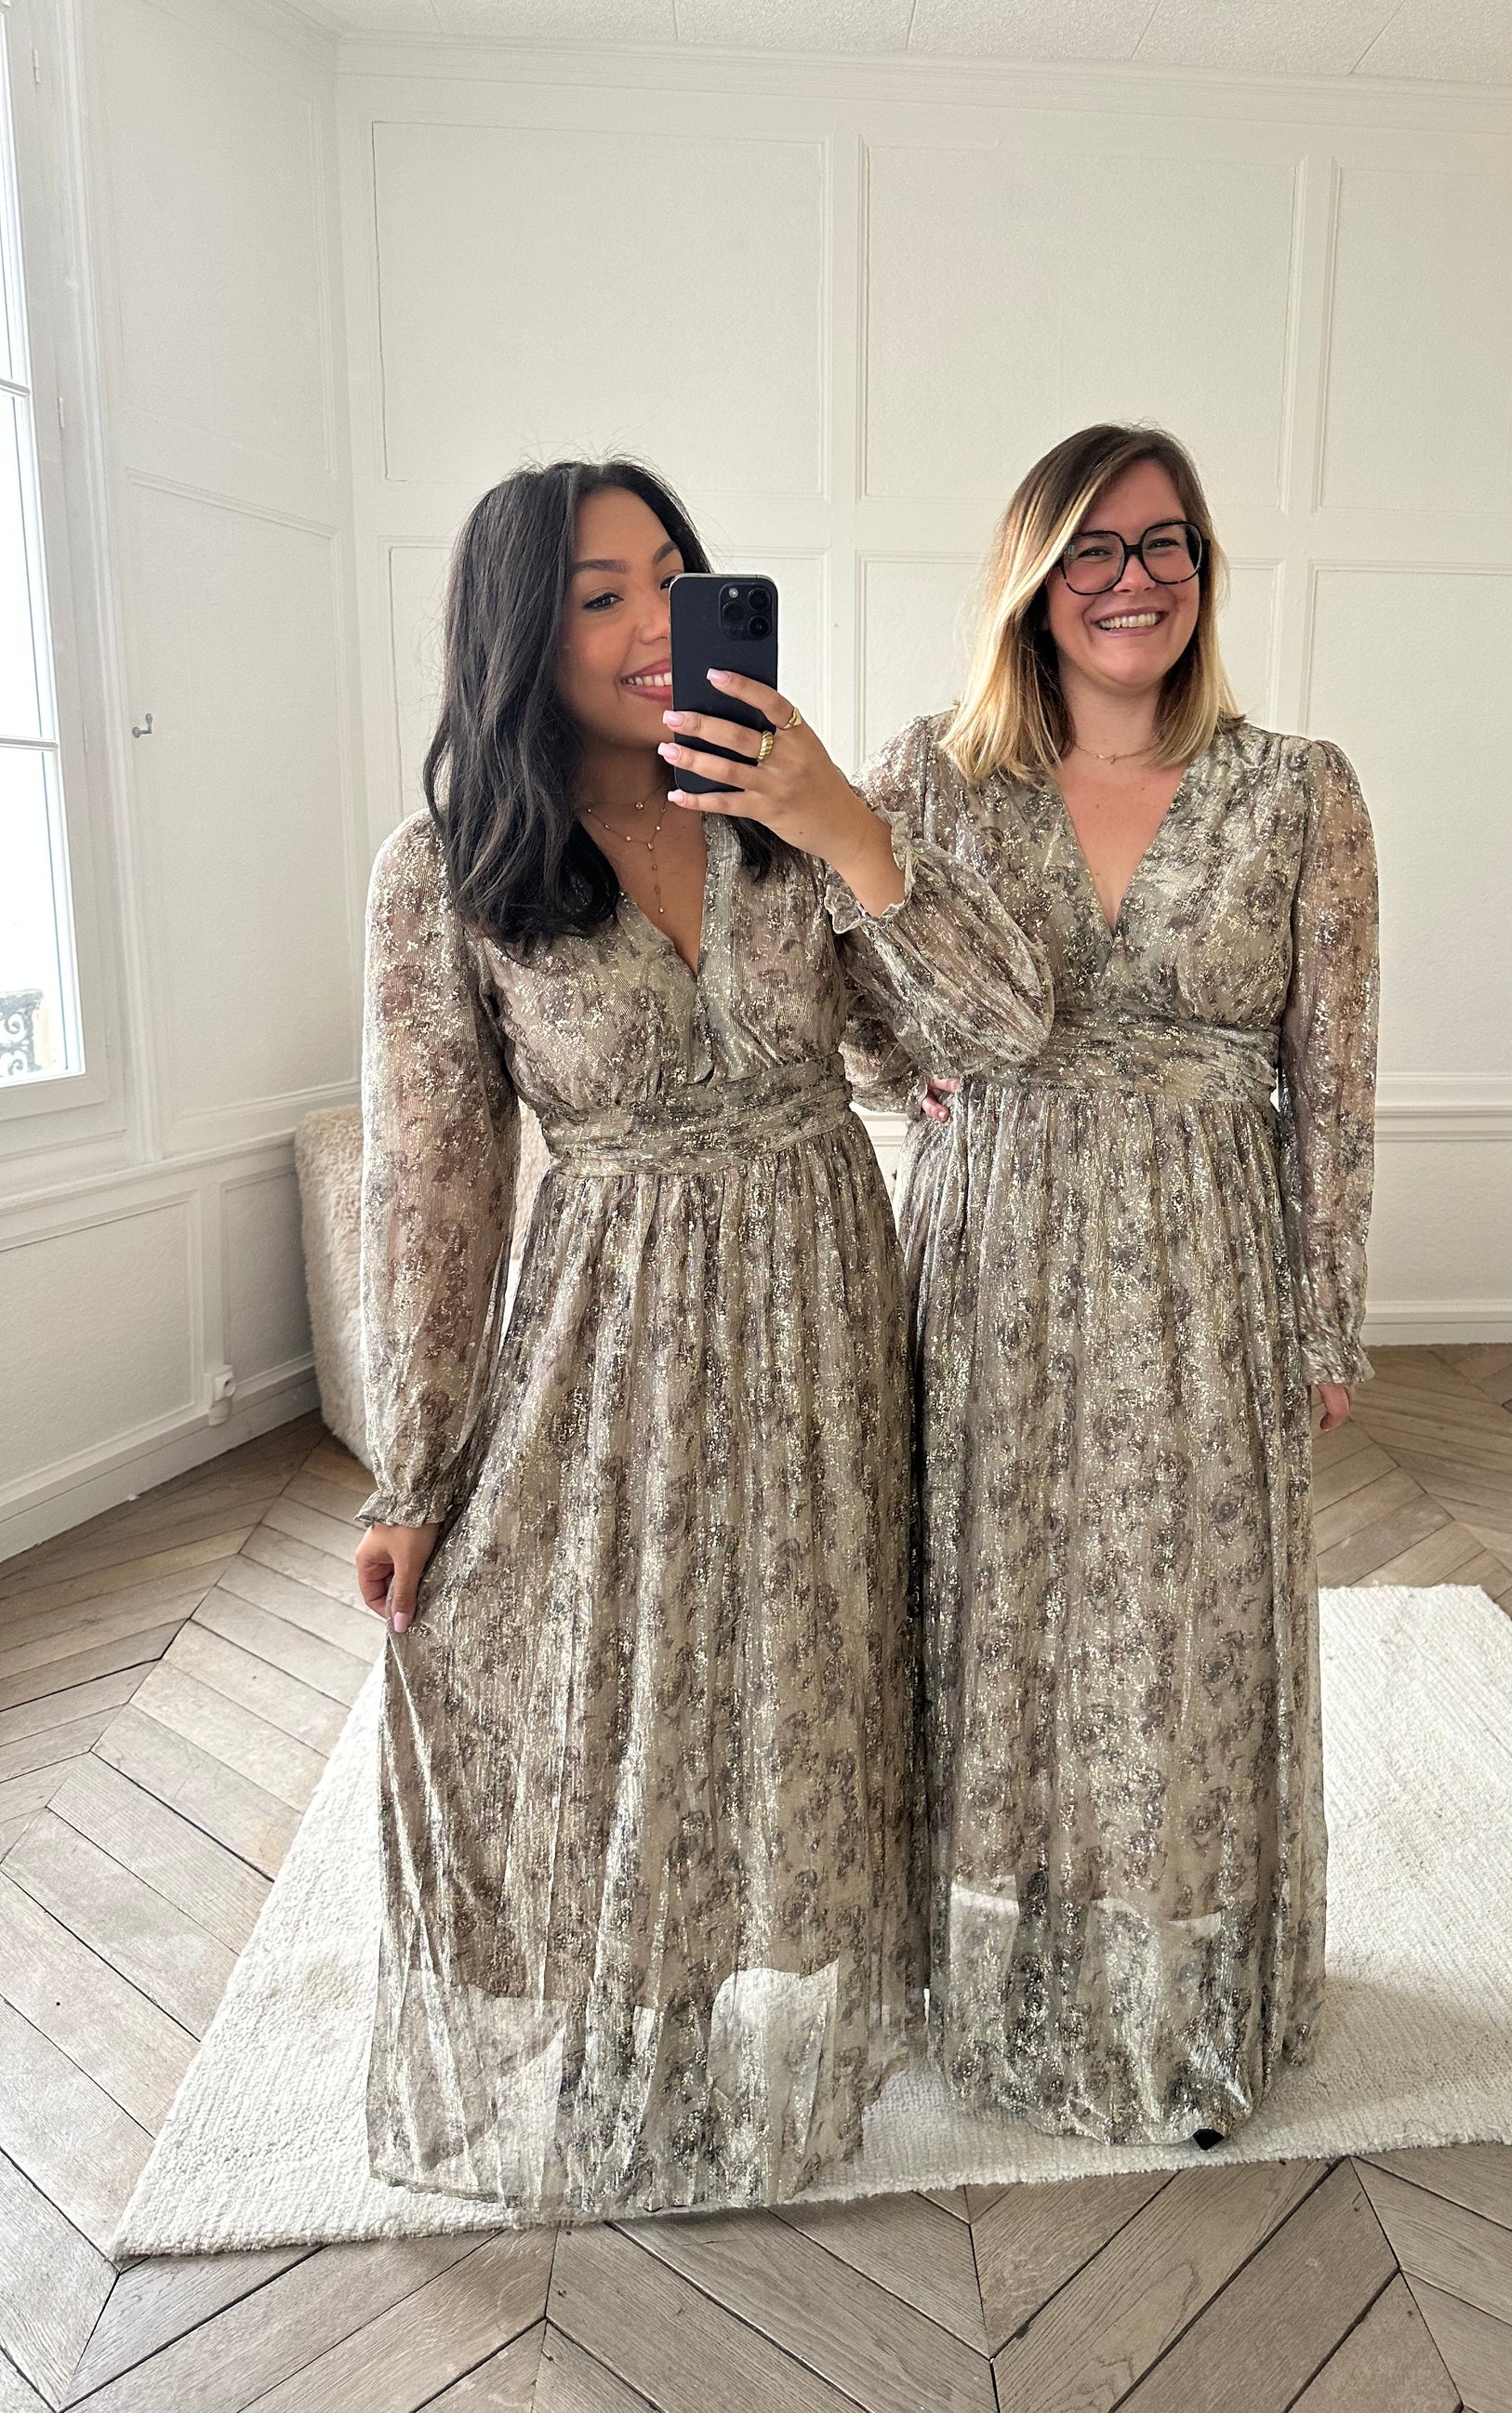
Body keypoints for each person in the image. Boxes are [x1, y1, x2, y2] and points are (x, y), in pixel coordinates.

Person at [352, 457, 1051, 2217]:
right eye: (599, 596)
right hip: (609, 1343)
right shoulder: (447, 875)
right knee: (618, 1687)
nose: (654, 623)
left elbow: (1001, 1029)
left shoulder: (785, 818)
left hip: (825, 1312)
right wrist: (414, 1473)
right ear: (520, 635)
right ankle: (630, 2034)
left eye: (670, 578)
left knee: (809, 1666)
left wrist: (845, 826)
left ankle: (791, 2030)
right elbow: (432, 1191)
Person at [848, 422, 1379, 2149]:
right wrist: (912, 1075)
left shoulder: (1297, 790)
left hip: (1204, 1260)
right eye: (1093, 547)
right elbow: (844, 1002)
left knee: (1181, 1630)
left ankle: (1177, 1992)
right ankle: (992, 1979)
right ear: (1033, 575)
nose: (1132, 580)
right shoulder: (929, 779)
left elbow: (1335, 1075)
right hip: (990, 1250)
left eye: (1166, 546)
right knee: (989, 1612)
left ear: (1201, 575)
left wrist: (1324, 1311)